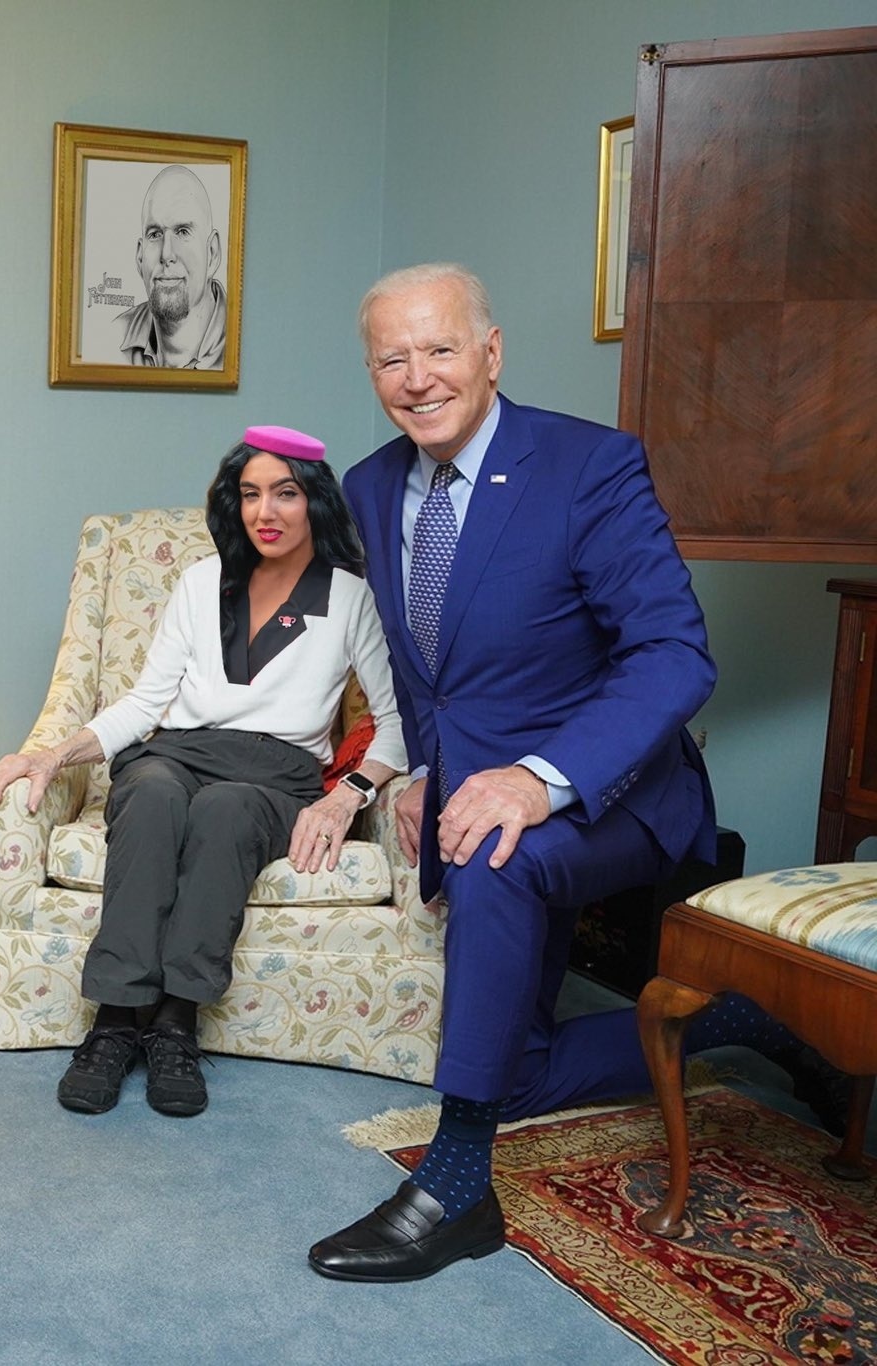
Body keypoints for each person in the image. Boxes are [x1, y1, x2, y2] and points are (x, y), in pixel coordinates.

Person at [311, 262, 825, 1283]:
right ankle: (734, 1020)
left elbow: (674, 653)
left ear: (491, 352)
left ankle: (456, 1186)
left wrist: (538, 778)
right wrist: (418, 773)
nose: (417, 377)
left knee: (494, 856)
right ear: (370, 373)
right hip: (475, 794)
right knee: (515, 1070)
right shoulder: (368, 485)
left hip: (613, 791)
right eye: (392, 359)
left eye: (440, 349)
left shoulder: (588, 466)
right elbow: (428, 675)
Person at [0, 426, 407, 1119]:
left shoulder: (350, 598)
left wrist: (347, 797)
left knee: (225, 811)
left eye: (285, 494)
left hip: (275, 775)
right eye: (251, 494)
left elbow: (396, 721)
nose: (266, 512)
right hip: (177, 751)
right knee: (148, 794)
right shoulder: (203, 581)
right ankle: (115, 1021)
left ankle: (177, 1023)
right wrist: (51, 754)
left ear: (315, 502)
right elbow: (145, 702)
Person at [113, 164, 227, 370]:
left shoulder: (244, 343)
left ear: (212, 253)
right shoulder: (111, 340)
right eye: (155, 234)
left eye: (183, 232)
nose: (166, 254)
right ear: (139, 257)